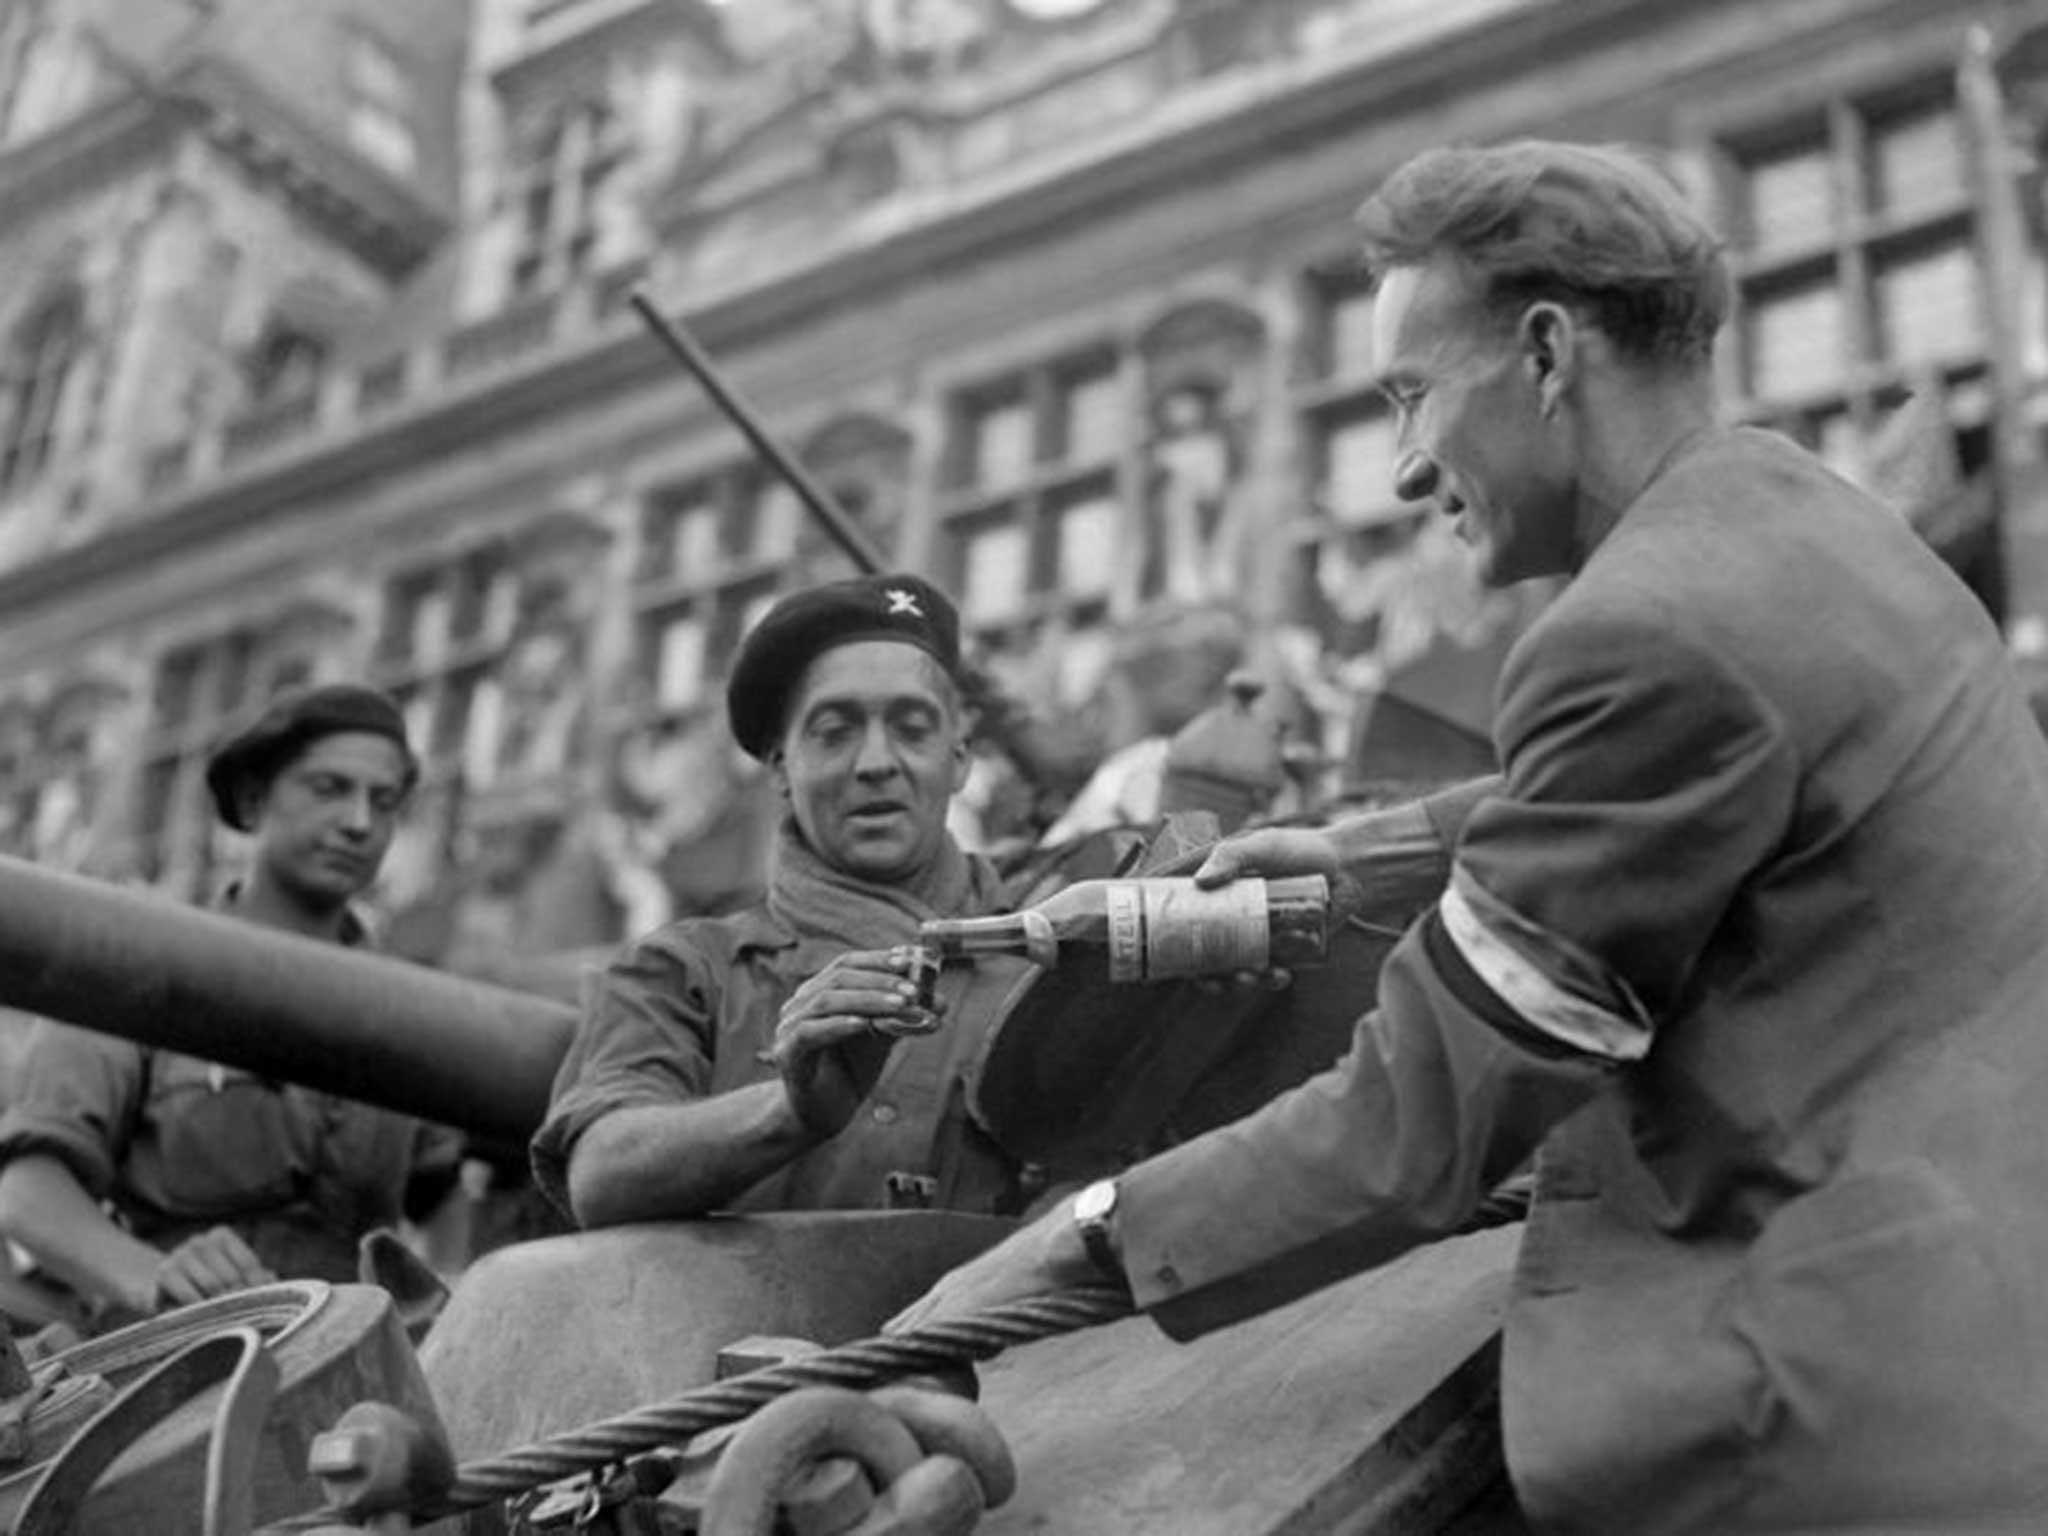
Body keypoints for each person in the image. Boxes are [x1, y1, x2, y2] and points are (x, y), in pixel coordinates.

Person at [891, 140, 2048, 1533]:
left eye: (1411, 394)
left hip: (1814, 1437)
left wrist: (1038, 1267)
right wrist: (1364, 852)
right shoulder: (1810, 523)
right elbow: (1704, 772)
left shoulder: (1639, 634)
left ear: (1550, 355)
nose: (1398, 470)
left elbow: (1409, 1129)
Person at [533, 572, 1026, 1226]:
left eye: (911, 727)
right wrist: (790, 1111)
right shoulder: (683, 974)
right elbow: (601, 1172)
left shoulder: (1050, 955)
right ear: (780, 769)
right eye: (834, 731)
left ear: (959, 758)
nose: (875, 761)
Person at [0, 684, 464, 1322]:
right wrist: (154, 1275)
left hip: (356, 1361)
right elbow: (28, 1191)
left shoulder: (411, 1012)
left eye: (383, 803)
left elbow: (444, 1198)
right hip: (174, 1360)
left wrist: (440, 1309)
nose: (359, 822)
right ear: (254, 800)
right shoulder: (145, 965)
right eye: (328, 788)